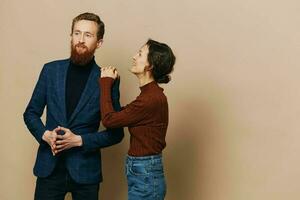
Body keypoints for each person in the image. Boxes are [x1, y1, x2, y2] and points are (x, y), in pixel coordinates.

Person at [23, 12, 124, 200]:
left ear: (99, 43)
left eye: (88, 35)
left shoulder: (107, 79)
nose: (81, 40)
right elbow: (30, 113)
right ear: (71, 36)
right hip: (49, 168)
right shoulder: (50, 70)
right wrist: (46, 135)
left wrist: (78, 141)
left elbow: (116, 134)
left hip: (86, 172)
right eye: (77, 33)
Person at [100, 39, 176, 200]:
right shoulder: (149, 95)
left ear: (150, 65)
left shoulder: (150, 99)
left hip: (146, 173)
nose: (134, 56)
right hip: (143, 170)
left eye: (140, 53)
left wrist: (105, 82)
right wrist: (113, 86)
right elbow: (122, 114)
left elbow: (109, 119)